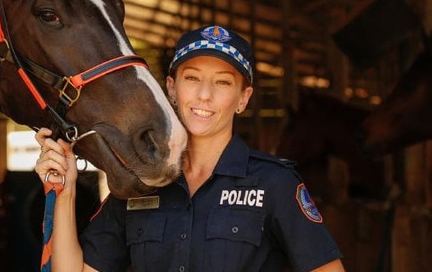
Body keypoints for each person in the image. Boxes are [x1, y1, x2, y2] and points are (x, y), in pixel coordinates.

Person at [34, 25, 345, 272]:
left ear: (243, 98)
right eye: (192, 78)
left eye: (222, 83)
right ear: (172, 88)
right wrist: (66, 192)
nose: (204, 95)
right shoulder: (140, 183)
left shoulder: (273, 183)